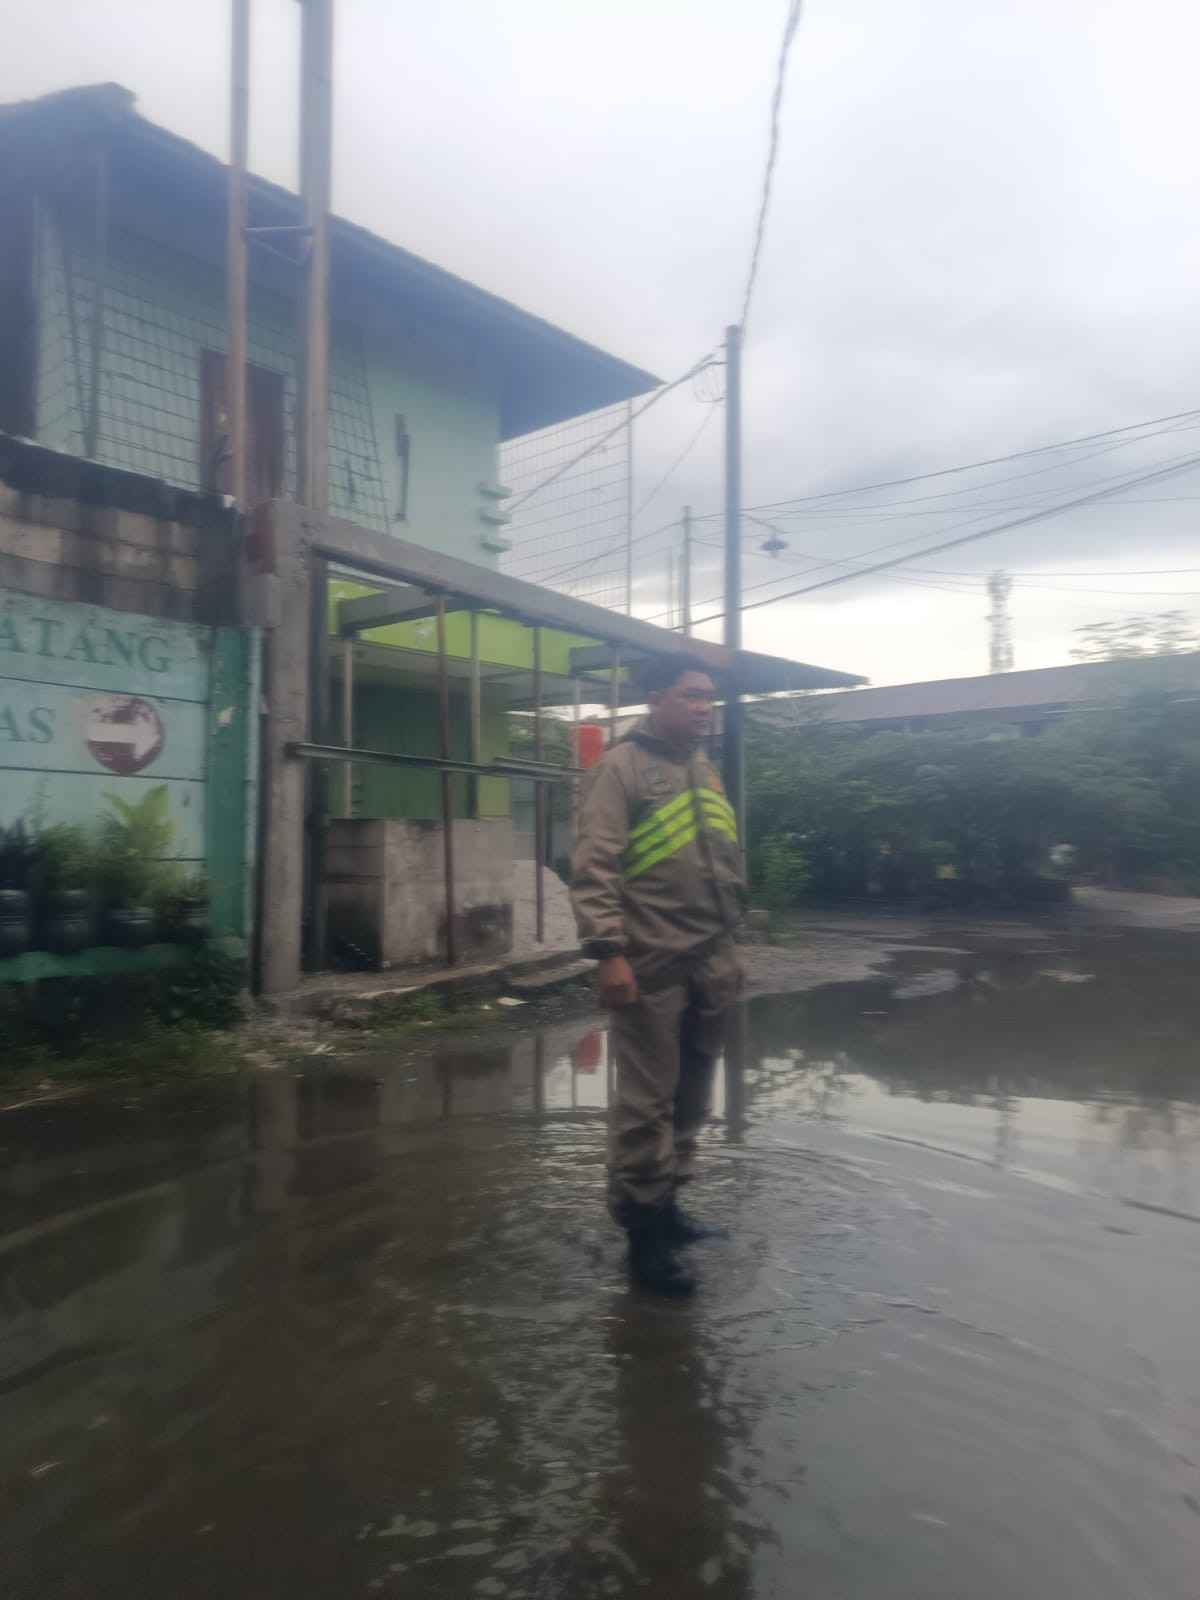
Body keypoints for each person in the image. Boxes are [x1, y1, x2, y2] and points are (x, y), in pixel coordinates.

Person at [570, 653, 748, 1296]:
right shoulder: (619, 769)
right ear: (656, 700)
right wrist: (608, 952)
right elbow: (595, 868)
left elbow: (722, 861)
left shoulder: (703, 769)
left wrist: (730, 945)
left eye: (709, 697)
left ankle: (670, 1209)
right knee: (647, 1105)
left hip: (711, 960)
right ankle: (643, 1239)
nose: (705, 707)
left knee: (693, 1099)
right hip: (649, 965)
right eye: (691, 695)